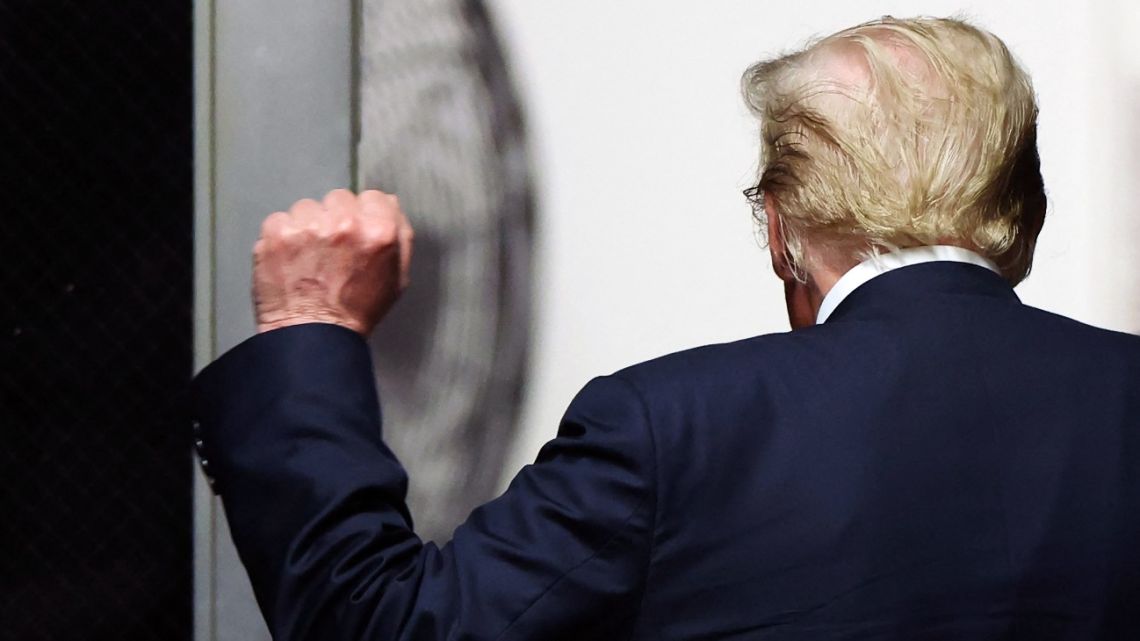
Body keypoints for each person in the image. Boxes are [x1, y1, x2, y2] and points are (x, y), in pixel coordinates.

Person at [191, 16, 1140, 640]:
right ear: (1020, 211)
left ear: (779, 228)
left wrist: (309, 324)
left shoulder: (670, 427)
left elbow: (384, 626)